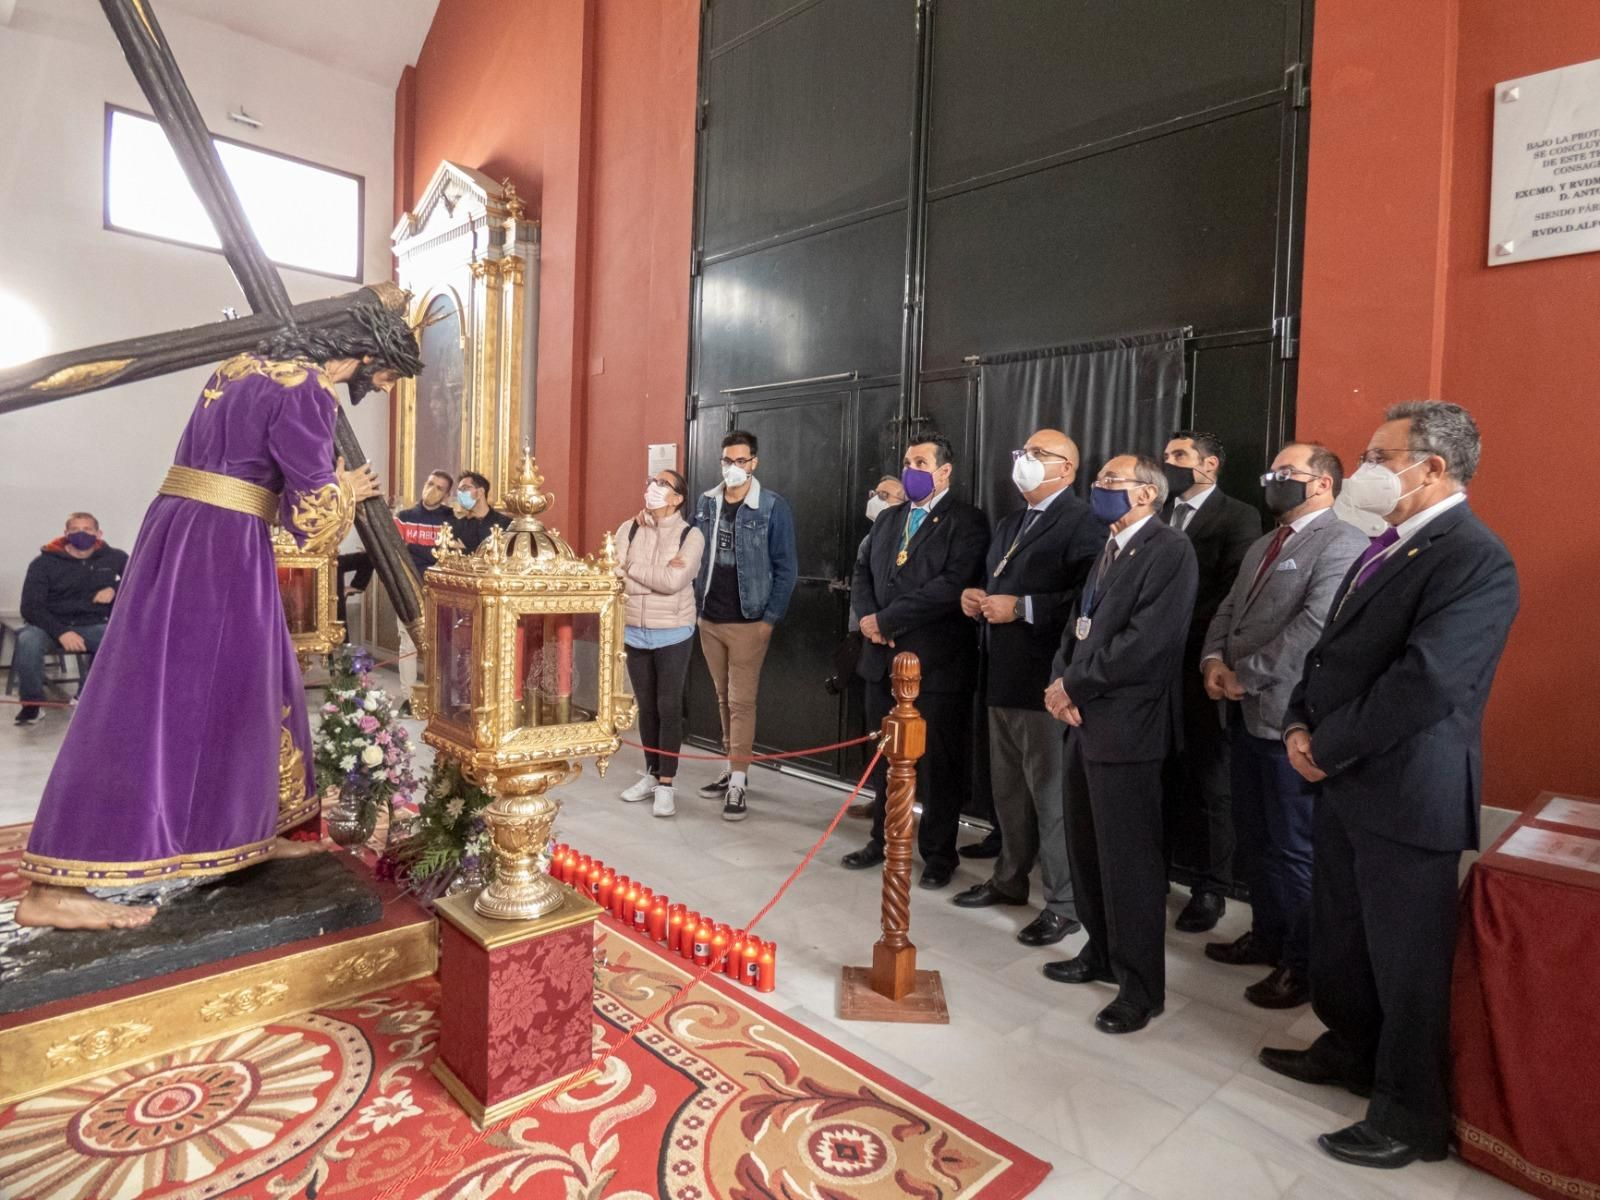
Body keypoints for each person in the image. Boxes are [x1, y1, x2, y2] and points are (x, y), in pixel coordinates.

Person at [15, 297, 421, 930]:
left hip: (180, 531)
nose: (385, 386)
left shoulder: (238, 367)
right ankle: (55, 885)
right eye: (391, 374)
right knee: (152, 701)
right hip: (224, 546)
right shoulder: (311, 391)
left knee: (249, 687)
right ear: (368, 354)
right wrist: (348, 489)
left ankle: (249, 836)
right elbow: (312, 520)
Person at [1260, 402, 1518, 1169]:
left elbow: (1427, 680)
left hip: (1407, 791)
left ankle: (1409, 1115)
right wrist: (1303, 721)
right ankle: (1350, 1050)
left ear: (1432, 467)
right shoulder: (1387, 544)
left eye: (1380, 454)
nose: (1366, 465)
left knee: (1408, 965)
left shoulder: (1475, 555)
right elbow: (1331, 654)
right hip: (1346, 775)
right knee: (1344, 939)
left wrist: (1326, 744)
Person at [1198, 443, 1366, 1008]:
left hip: (1288, 720)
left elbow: (1315, 626)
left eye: (1286, 473)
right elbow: (1228, 609)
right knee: (1256, 838)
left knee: (1294, 847)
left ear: (1321, 484)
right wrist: (1212, 662)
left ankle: (1302, 963)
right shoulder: (1263, 544)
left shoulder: (1343, 543)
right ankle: (1267, 935)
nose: (1272, 480)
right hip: (1241, 714)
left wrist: (1247, 675)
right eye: (1271, 471)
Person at [1042, 453, 1196, 1035]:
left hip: (1128, 727)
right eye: (1100, 478)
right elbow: (1075, 628)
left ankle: (1141, 988)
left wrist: (1074, 684)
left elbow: (1146, 644)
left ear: (1146, 495)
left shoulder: (1169, 550)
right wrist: (1060, 682)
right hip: (1081, 720)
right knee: (1086, 848)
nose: (1099, 487)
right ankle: (1099, 951)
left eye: (1112, 481)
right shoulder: (1108, 547)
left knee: (1129, 861)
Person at [951, 431, 1104, 945]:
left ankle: (1064, 903)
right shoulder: (1013, 521)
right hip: (1001, 675)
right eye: (1022, 453)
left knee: (1050, 798)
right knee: (1008, 792)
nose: (1026, 462)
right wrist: (980, 598)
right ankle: (1010, 879)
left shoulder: (1084, 521)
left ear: (1068, 467)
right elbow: (998, 582)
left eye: (1039, 455)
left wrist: (1023, 607)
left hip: (1046, 679)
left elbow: (1088, 600)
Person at [841, 433, 989, 889]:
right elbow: (864, 570)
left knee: (939, 764)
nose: (911, 469)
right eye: (907, 461)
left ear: (944, 471)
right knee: (884, 757)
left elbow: (950, 585)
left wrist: (887, 619)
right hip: (881, 660)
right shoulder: (889, 519)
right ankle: (883, 839)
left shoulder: (967, 522)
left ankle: (939, 852)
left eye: (921, 462)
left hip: (934, 663)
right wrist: (869, 617)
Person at [1161, 430, 1263, 932]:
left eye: (1180, 456)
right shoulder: (1155, 510)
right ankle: (1154, 870)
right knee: (1157, 777)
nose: (1171, 464)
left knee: (1210, 782)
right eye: (1166, 457)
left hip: (1200, 665)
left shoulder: (1238, 515)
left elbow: (1230, 593)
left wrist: (1167, 620)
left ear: (1210, 465)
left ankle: (1212, 887)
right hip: (1149, 671)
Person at [691, 431, 798, 821]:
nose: (733, 468)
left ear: (753, 462)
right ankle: (730, 764)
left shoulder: (771, 507)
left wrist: (769, 619)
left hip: (749, 621)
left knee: (742, 701)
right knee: (722, 697)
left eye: (740, 461)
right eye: (727, 460)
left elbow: (787, 568)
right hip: (710, 618)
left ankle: (739, 779)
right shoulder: (706, 502)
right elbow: (690, 551)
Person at [616, 468, 705, 818]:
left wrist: (632, 569)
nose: (653, 487)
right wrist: (648, 578)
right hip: (634, 629)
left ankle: (667, 783)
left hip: (672, 631)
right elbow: (614, 571)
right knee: (647, 706)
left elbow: (674, 581)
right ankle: (651, 773)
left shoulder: (690, 535)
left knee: (669, 708)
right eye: (651, 481)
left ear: (678, 497)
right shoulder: (630, 527)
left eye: (663, 484)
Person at [13, 513, 129, 726]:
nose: (81, 534)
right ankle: (31, 705)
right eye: (75, 530)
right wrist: (61, 632)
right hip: (48, 625)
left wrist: (115, 588)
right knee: (27, 640)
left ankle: (85, 697)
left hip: (92, 623)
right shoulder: (43, 563)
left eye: (88, 529)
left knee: (116, 638)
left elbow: (141, 582)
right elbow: (30, 607)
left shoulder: (116, 558)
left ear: (99, 534)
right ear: (66, 534)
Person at [842, 476, 905, 820]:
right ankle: (879, 801)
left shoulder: (909, 535)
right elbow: (860, 579)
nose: (877, 500)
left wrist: (885, 622)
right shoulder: (872, 536)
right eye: (874, 493)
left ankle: (898, 807)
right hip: (868, 644)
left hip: (900, 647)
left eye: (885, 495)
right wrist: (867, 622)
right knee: (874, 730)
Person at [448, 470, 510, 552]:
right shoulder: (456, 526)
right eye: (459, 490)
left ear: (480, 492)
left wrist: (465, 551)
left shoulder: (505, 524)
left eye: (464, 488)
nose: (460, 494)